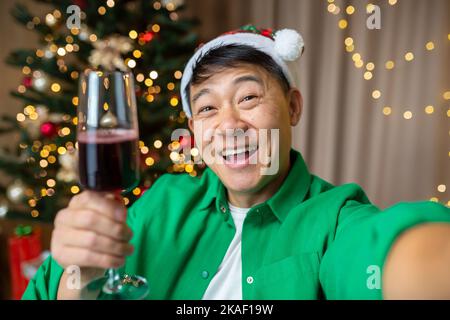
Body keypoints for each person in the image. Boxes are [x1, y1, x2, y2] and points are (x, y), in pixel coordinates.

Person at [23, 25, 450, 300]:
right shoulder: (165, 202)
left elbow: (381, 255)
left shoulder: (334, 217)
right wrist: (79, 275)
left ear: (293, 107)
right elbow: (63, 289)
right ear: (194, 129)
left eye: (248, 98)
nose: (228, 125)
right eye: (207, 109)